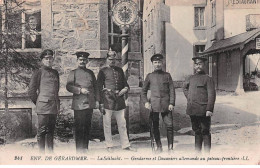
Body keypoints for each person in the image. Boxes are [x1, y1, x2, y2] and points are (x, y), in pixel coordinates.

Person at [97, 48, 136, 153]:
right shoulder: (102, 71)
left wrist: (124, 90)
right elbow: (98, 88)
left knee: (122, 124)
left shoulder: (119, 70)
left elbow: (126, 85)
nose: (112, 61)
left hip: (119, 101)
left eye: (114, 59)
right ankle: (109, 145)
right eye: (110, 59)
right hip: (107, 100)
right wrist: (100, 102)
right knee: (107, 123)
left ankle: (125, 145)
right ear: (106, 59)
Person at [141, 53, 175, 154]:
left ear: (162, 63)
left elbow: (172, 90)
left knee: (169, 126)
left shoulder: (167, 75)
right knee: (154, 126)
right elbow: (143, 92)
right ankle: (159, 146)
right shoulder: (149, 76)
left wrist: (172, 103)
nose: (157, 64)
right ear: (152, 64)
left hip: (166, 104)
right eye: (155, 62)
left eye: (159, 62)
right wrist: (146, 102)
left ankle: (170, 148)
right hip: (154, 105)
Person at [66, 51, 99, 154]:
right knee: (79, 126)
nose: (82, 61)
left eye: (84, 60)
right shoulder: (73, 73)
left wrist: (97, 100)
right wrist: (80, 90)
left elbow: (96, 87)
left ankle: (85, 148)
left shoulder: (90, 73)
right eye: (80, 60)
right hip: (79, 104)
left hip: (89, 103)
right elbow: (69, 86)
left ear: (87, 61)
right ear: (77, 61)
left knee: (87, 126)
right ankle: (79, 150)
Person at [28, 49, 60, 154]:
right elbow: (32, 91)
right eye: (46, 58)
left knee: (51, 131)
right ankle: (41, 154)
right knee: (42, 131)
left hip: (53, 106)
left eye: (51, 58)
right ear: (42, 60)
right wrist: (39, 103)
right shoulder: (38, 72)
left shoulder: (55, 73)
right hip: (43, 106)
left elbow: (56, 90)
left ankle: (50, 153)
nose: (49, 60)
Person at [183, 56, 216, 154]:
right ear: (194, 66)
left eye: (200, 64)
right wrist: (189, 98)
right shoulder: (190, 78)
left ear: (204, 65)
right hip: (192, 110)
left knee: (205, 131)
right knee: (196, 131)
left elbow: (211, 95)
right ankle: (197, 153)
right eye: (196, 64)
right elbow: (185, 88)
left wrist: (209, 109)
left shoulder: (208, 78)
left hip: (203, 110)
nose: (198, 66)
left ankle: (207, 154)